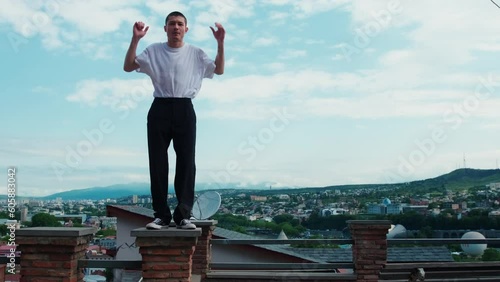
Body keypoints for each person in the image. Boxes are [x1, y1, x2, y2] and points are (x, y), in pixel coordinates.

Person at [123, 11, 225, 230]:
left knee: (187, 161)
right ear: (165, 28)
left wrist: (220, 43)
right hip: (160, 107)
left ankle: (183, 216)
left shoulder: (196, 53)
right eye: (172, 24)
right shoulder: (154, 50)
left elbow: (220, 69)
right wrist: (136, 39)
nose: (176, 27)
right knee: (158, 162)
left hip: (185, 108)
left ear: (186, 29)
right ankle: (161, 215)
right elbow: (129, 66)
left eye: (180, 24)